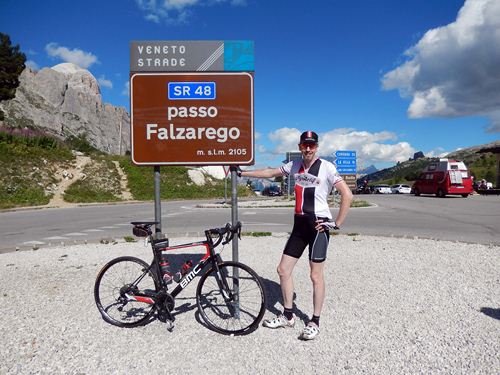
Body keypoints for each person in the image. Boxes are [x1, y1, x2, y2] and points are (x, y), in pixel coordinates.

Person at [236, 131, 353, 340]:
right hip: (299, 225)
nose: (308, 149)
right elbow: (270, 172)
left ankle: (315, 321)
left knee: (315, 275)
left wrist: (336, 223)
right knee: (283, 270)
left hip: (318, 227)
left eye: (312, 145)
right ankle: (288, 316)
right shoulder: (294, 166)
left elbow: (347, 194)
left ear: (316, 147)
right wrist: (243, 173)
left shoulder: (327, 167)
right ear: (300, 147)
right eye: (304, 145)